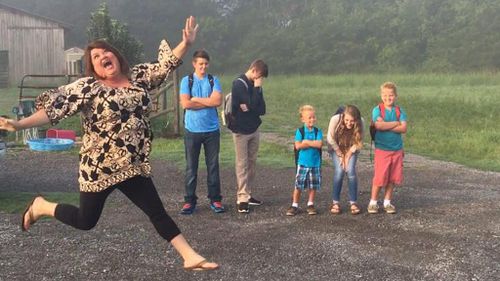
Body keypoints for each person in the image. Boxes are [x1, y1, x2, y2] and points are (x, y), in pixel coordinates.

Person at [0, 16, 218, 271]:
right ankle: (41, 206)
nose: (103, 56)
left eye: (106, 52)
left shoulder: (137, 77)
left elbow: (164, 66)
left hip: (131, 164)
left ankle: (189, 256)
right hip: (99, 167)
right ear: (94, 68)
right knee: (85, 220)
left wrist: (185, 44)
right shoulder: (89, 88)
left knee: (156, 211)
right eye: (96, 57)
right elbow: (53, 110)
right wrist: (19, 124)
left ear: (116, 56)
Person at [178, 50, 224, 215]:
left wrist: (196, 99)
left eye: (205, 64)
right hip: (192, 130)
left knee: (213, 166)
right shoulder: (186, 81)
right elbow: (185, 104)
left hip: (212, 130)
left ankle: (215, 199)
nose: (203, 67)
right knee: (191, 167)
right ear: (194, 64)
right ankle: (189, 201)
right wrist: (208, 102)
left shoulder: (213, 80)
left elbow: (217, 101)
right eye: (200, 64)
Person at [228, 59, 268, 213]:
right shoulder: (238, 84)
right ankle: (242, 198)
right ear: (255, 71)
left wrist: (252, 102)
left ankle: (248, 194)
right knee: (242, 164)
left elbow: (261, 109)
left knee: (252, 163)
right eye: (261, 76)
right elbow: (250, 104)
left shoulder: (255, 85)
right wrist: (256, 93)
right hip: (240, 131)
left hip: (254, 129)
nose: (261, 80)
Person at [367, 82, 407, 214]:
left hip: (397, 149)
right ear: (381, 95)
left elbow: (404, 128)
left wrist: (387, 124)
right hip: (382, 149)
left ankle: (387, 202)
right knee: (380, 176)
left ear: (395, 96)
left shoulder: (399, 111)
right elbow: (378, 126)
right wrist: (396, 123)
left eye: (390, 95)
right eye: (385, 95)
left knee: (392, 177)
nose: (387, 97)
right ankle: (373, 202)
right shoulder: (377, 109)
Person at [326, 105, 364, 215]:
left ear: (356, 120)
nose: (349, 123)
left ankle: (353, 202)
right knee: (340, 170)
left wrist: (348, 155)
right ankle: (335, 202)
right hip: (335, 147)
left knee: (350, 170)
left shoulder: (361, 122)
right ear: (343, 116)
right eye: (346, 120)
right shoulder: (335, 119)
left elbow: (359, 142)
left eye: (352, 121)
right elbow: (330, 138)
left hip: (351, 148)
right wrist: (340, 154)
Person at [286, 105, 323, 216]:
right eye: (309, 118)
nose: (312, 119)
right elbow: (297, 146)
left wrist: (306, 142)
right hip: (302, 163)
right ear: (303, 119)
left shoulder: (318, 131)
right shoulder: (300, 131)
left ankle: (310, 204)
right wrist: (310, 144)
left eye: (313, 117)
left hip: (315, 164)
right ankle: (294, 205)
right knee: (299, 185)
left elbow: (319, 144)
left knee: (313, 185)